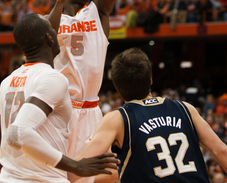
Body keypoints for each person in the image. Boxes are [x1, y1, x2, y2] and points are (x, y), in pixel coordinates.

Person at [47, 0, 134, 183]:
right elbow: (43, 35)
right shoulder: (52, 20)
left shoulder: (96, 13)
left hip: (91, 111)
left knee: (104, 178)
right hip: (59, 112)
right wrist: (59, 2)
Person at [0, 13, 119, 183]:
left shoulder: (7, 82)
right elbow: (18, 133)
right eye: (53, 29)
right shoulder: (52, 78)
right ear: (49, 38)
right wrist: (76, 166)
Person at [76, 47, 227, 183]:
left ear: (117, 86)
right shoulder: (186, 108)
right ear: (151, 80)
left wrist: (56, 161)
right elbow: (221, 151)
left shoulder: (117, 119)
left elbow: (77, 168)